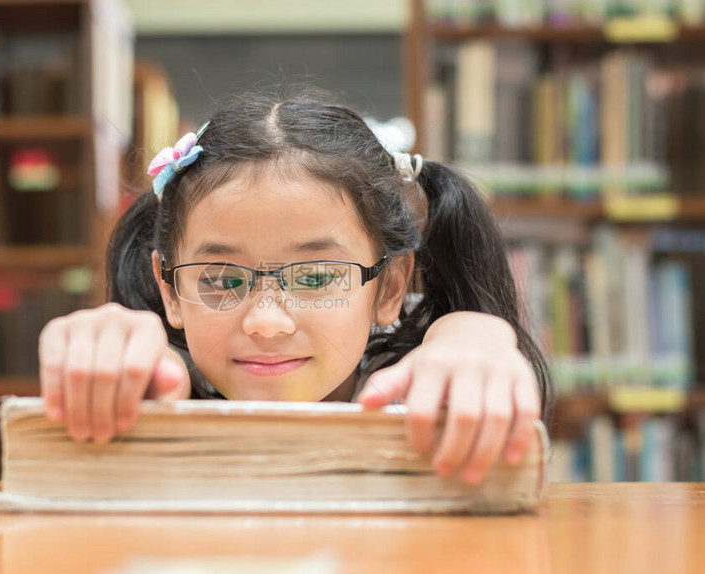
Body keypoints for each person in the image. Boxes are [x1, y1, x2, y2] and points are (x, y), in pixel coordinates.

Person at [38, 88, 554, 485]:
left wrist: (473, 334)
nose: (266, 322)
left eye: (315, 278)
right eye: (220, 280)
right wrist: (119, 361)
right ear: (169, 291)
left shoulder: (421, 395)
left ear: (390, 286)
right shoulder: (159, 385)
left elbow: (468, 354)